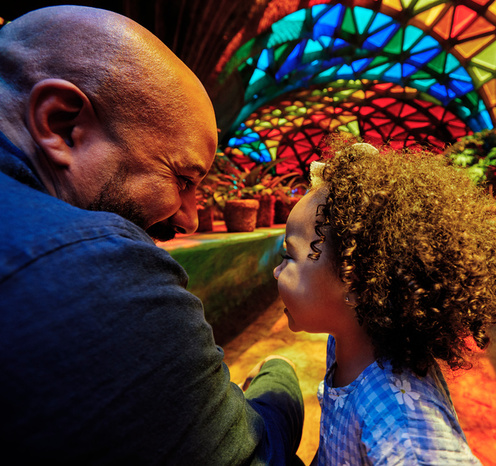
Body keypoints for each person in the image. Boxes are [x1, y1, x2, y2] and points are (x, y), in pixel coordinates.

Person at [0, 6, 303, 464]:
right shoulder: (98, 268)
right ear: (62, 125)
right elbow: (258, 454)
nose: (190, 220)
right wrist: (280, 380)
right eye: (182, 179)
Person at [273, 141, 496, 465]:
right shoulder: (346, 342)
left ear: (354, 280)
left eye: (289, 256)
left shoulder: (402, 424)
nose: (277, 270)